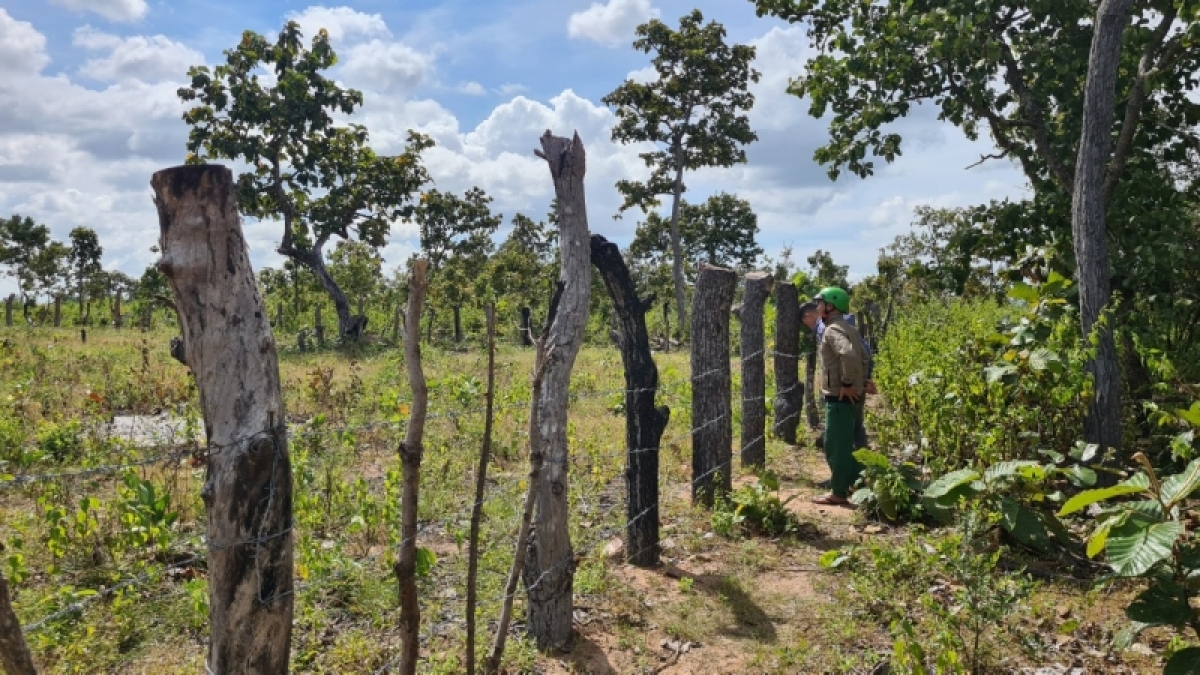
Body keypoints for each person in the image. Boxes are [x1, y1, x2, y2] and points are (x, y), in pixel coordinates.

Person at [810, 286, 869, 506]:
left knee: (836, 445)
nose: (817, 308)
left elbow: (850, 355)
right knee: (843, 442)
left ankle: (838, 492)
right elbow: (864, 356)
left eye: (820, 303)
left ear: (830, 305)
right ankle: (858, 482)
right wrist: (862, 381)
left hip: (839, 397)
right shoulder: (847, 327)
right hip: (850, 395)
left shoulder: (832, 330)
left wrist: (846, 383)